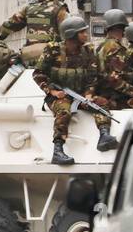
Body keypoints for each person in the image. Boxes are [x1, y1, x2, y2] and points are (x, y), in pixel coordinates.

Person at [33, 15, 109, 165]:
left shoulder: (88, 50)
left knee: (101, 103)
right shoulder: (53, 49)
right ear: (72, 34)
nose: (86, 35)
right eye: (83, 32)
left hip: (80, 95)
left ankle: (104, 135)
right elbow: (38, 74)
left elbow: (93, 75)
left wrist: (89, 93)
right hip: (59, 95)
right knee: (64, 111)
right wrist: (52, 91)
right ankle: (58, 150)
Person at [0, 0, 70, 65]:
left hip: (29, 56)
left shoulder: (29, 8)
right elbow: (69, 35)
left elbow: (8, 26)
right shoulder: (60, 9)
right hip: (51, 57)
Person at [92, 9, 133, 127]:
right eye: (123, 29)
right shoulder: (114, 48)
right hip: (113, 97)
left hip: (106, 93)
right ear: (120, 29)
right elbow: (114, 79)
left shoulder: (102, 46)